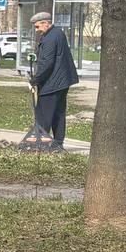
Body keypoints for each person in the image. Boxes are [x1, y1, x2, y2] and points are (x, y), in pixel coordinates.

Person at [29, 11, 79, 152]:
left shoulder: (50, 38)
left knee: (43, 114)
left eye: (38, 26)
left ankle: (40, 146)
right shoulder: (58, 33)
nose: (37, 30)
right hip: (62, 82)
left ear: (46, 23)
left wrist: (35, 80)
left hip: (52, 83)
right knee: (58, 113)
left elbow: (47, 63)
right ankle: (57, 145)